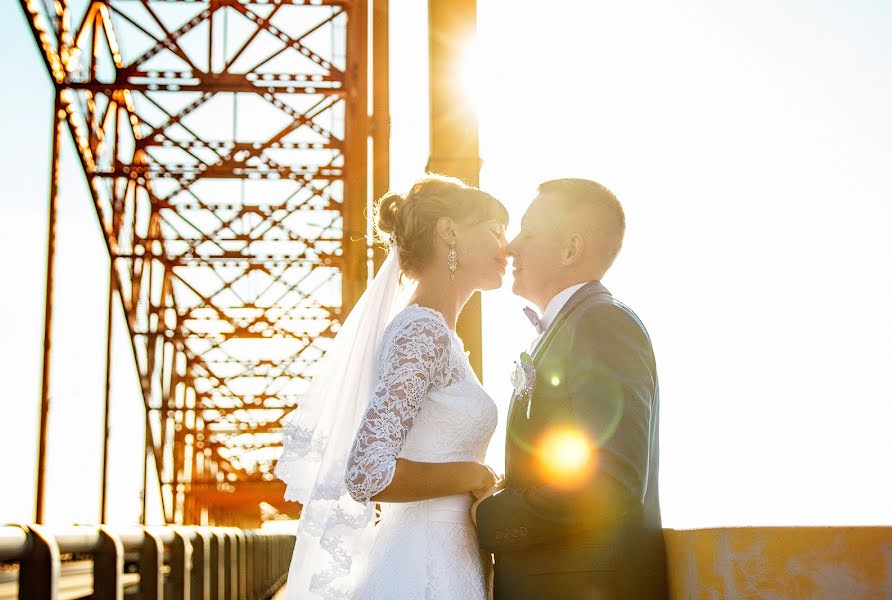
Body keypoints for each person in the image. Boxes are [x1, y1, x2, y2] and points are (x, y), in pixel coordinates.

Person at [276, 174, 508, 599]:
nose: (506, 246)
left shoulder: (439, 335)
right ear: (449, 231)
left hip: (446, 557)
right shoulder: (421, 330)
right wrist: (475, 475)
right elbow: (367, 472)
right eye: (494, 230)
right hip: (423, 566)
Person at [474, 178, 668, 599]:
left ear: (570, 250)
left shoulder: (602, 324)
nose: (511, 246)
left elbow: (610, 478)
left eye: (528, 231)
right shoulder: (570, 328)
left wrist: (489, 516)